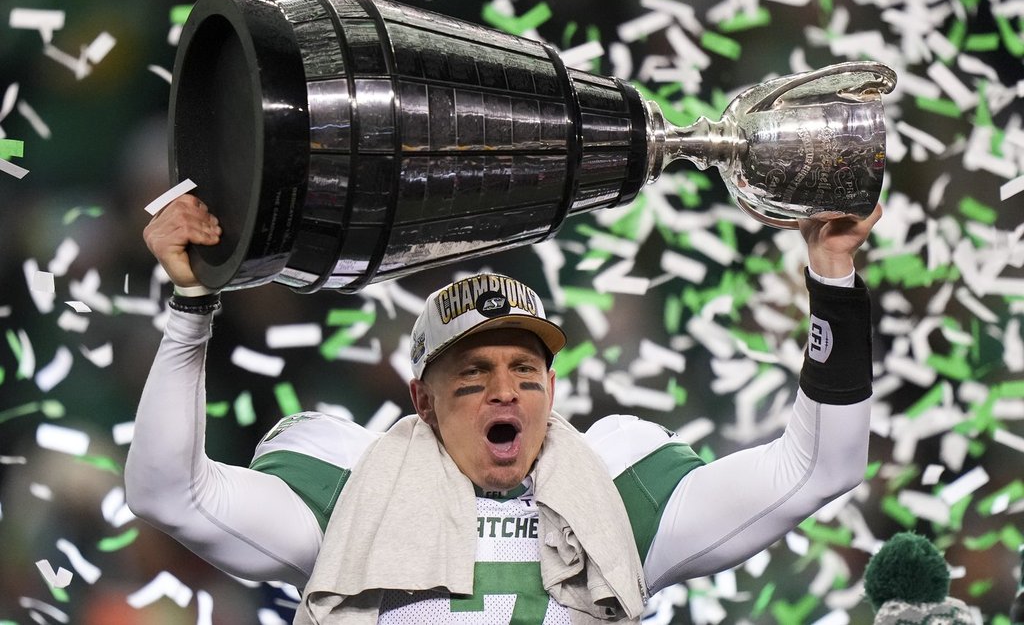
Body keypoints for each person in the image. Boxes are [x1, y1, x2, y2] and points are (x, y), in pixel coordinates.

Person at [126, 193, 883, 625]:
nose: (505, 390)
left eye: (527, 368)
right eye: (473, 373)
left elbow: (822, 465)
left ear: (553, 389)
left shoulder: (616, 488)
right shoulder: (354, 486)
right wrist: (192, 307)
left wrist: (834, 275)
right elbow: (167, 491)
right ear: (421, 399)